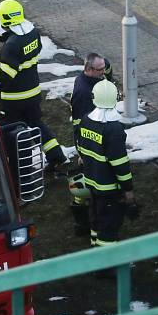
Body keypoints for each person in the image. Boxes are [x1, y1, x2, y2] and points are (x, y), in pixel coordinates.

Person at [0, 0, 66, 170]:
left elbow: (7, 75)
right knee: (37, 124)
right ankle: (56, 156)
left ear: (6, 20)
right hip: (32, 94)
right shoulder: (33, 33)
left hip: (12, 100)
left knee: (6, 132)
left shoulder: (12, 46)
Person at [77, 80, 134, 246]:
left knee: (95, 218)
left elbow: (82, 149)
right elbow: (120, 164)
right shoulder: (114, 129)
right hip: (109, 189)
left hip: (91, 182)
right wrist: (128, 188)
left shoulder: (85, 120)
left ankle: (95, 247)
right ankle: (106, 268)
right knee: (109, 227)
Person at [67, 53, 109, 236]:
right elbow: (79, 124)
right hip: (88, 142)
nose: (103, 72)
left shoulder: (90, 80)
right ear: (89, 69)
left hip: (93, 139)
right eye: (100, 70)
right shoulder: (84, 93)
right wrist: (82, 152)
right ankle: (82, 222)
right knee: (87, 183)